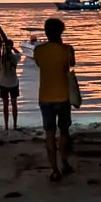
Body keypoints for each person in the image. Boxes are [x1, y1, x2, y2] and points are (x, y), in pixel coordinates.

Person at [34, 17, 75, 182]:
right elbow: (71, 65)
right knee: (64, 131)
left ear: (46, 32)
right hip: (63, 96)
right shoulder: (67, 49)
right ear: (61, 32)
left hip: (45, 97)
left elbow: (40, 65)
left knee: (49, 133)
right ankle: (64, 162)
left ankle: (54, 170)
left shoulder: (38, 51)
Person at [0, 39, 21, 131]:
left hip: (4, 83)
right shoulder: (14, 57)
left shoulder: (1, 57)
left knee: (6, 105)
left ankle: (7, 126)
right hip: (13, 83)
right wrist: (13, 48)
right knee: (13, 104)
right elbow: (19, 54)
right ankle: (14, 125)